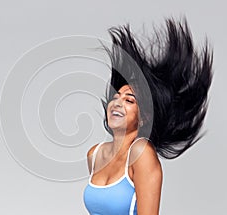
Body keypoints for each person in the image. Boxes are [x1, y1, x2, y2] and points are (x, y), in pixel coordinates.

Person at [83, 17, 213, 215]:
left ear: (143, 118)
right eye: (116, 97)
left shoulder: (142, 154)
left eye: (129, 100)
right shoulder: (95, 154)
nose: (117, 102)